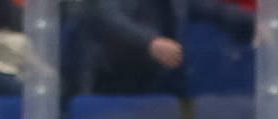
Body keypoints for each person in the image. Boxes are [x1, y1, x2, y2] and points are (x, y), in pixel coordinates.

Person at [79, 0, 254, 95]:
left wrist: (258, 23)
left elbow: (214, 8)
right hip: (113, 85)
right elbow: (105, 18)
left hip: (162, 83)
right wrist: (149, 43)